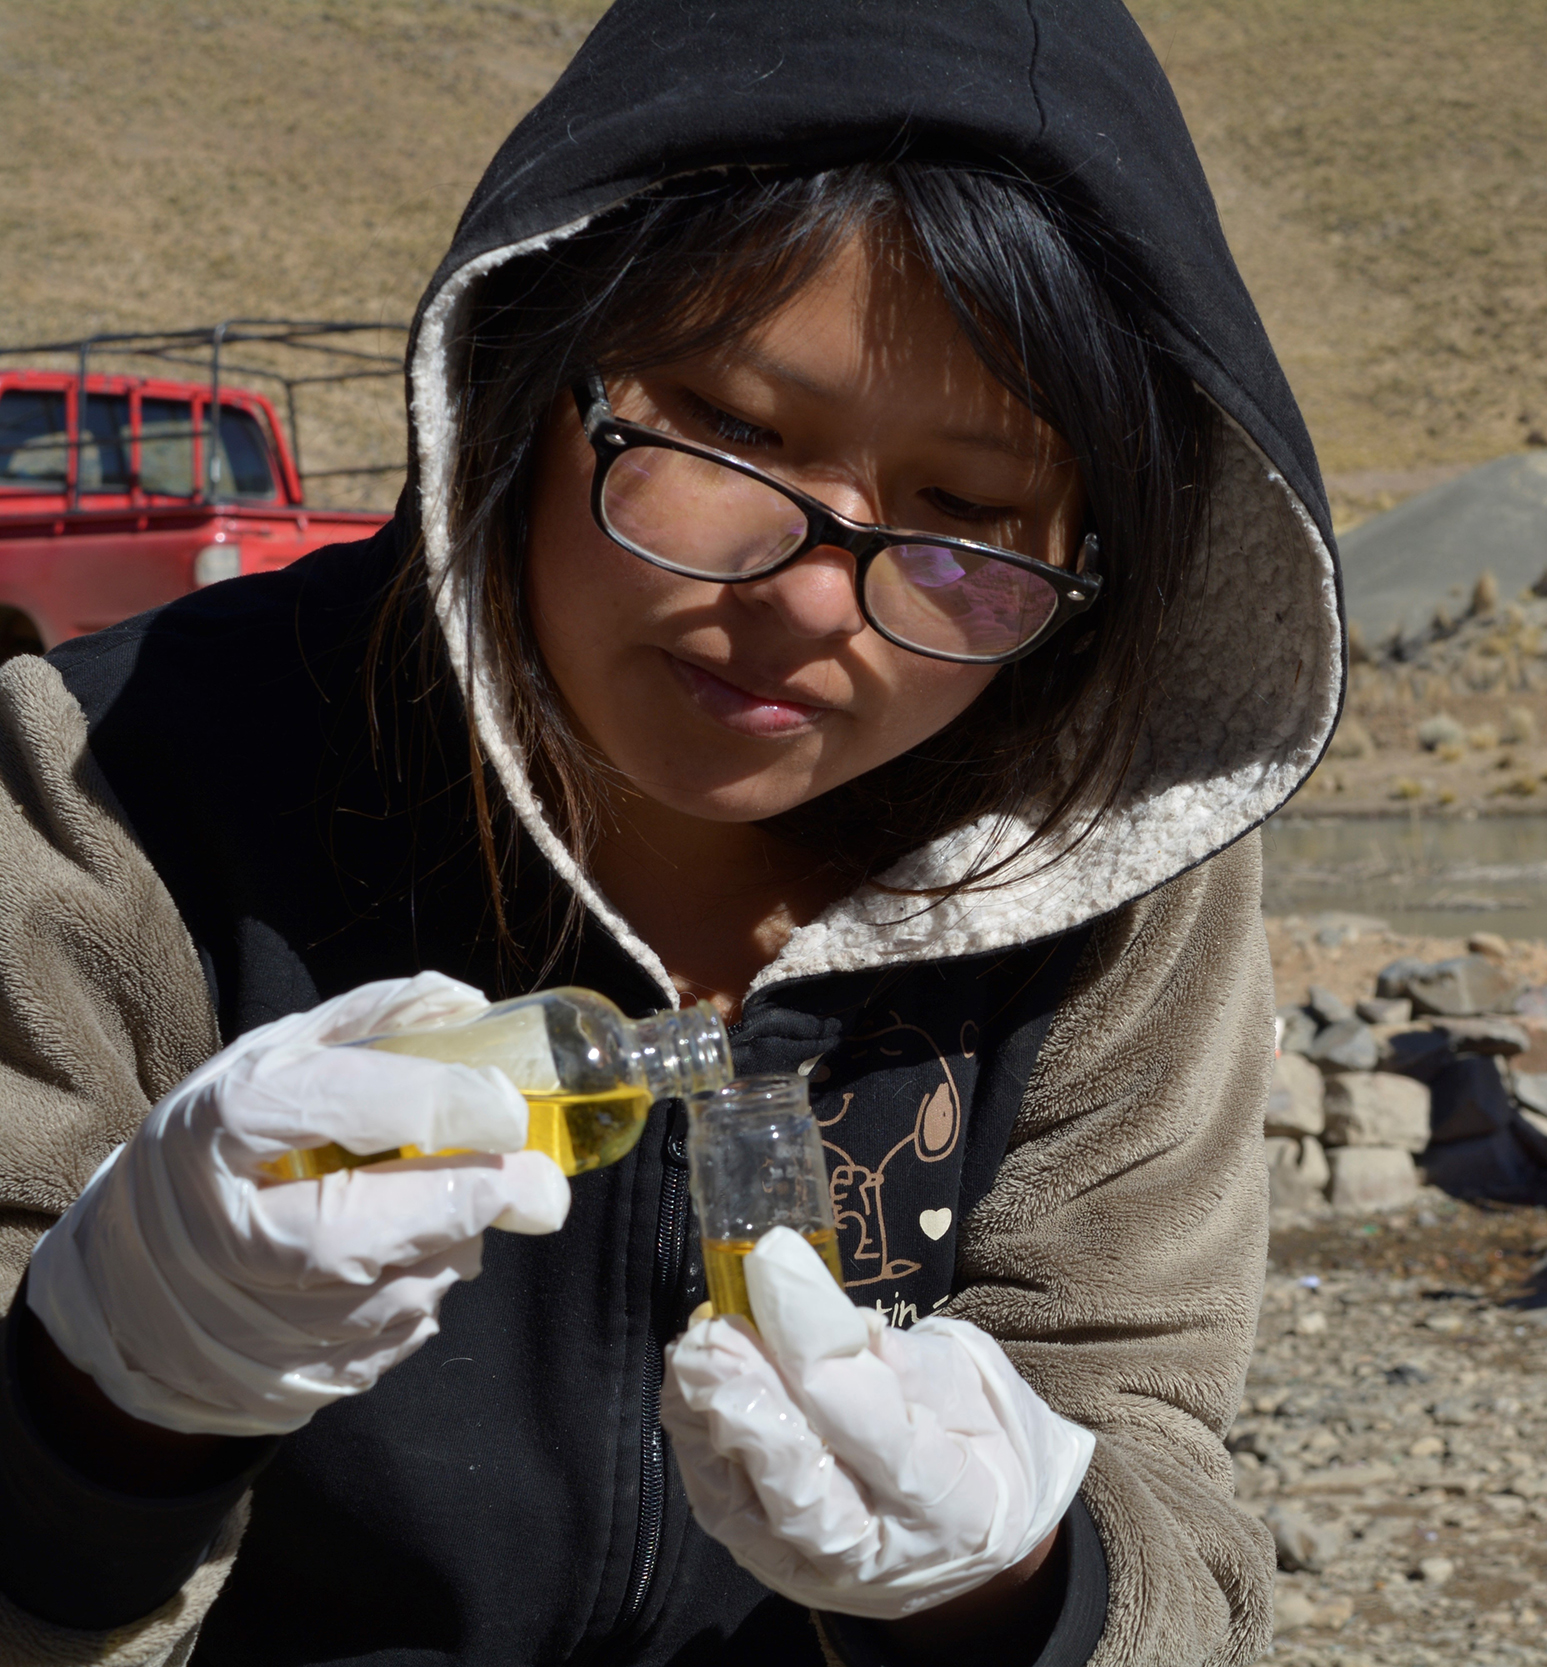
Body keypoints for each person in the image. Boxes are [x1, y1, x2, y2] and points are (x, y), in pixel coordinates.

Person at [0, 3, 1343, 1663]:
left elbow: (1159, 1491)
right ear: (517, 361)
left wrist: (1003, 1579)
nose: (807, 596)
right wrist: (109, 1403)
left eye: (970, 514)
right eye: (728, 429)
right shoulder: (119, 782)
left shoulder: (1111, 880)